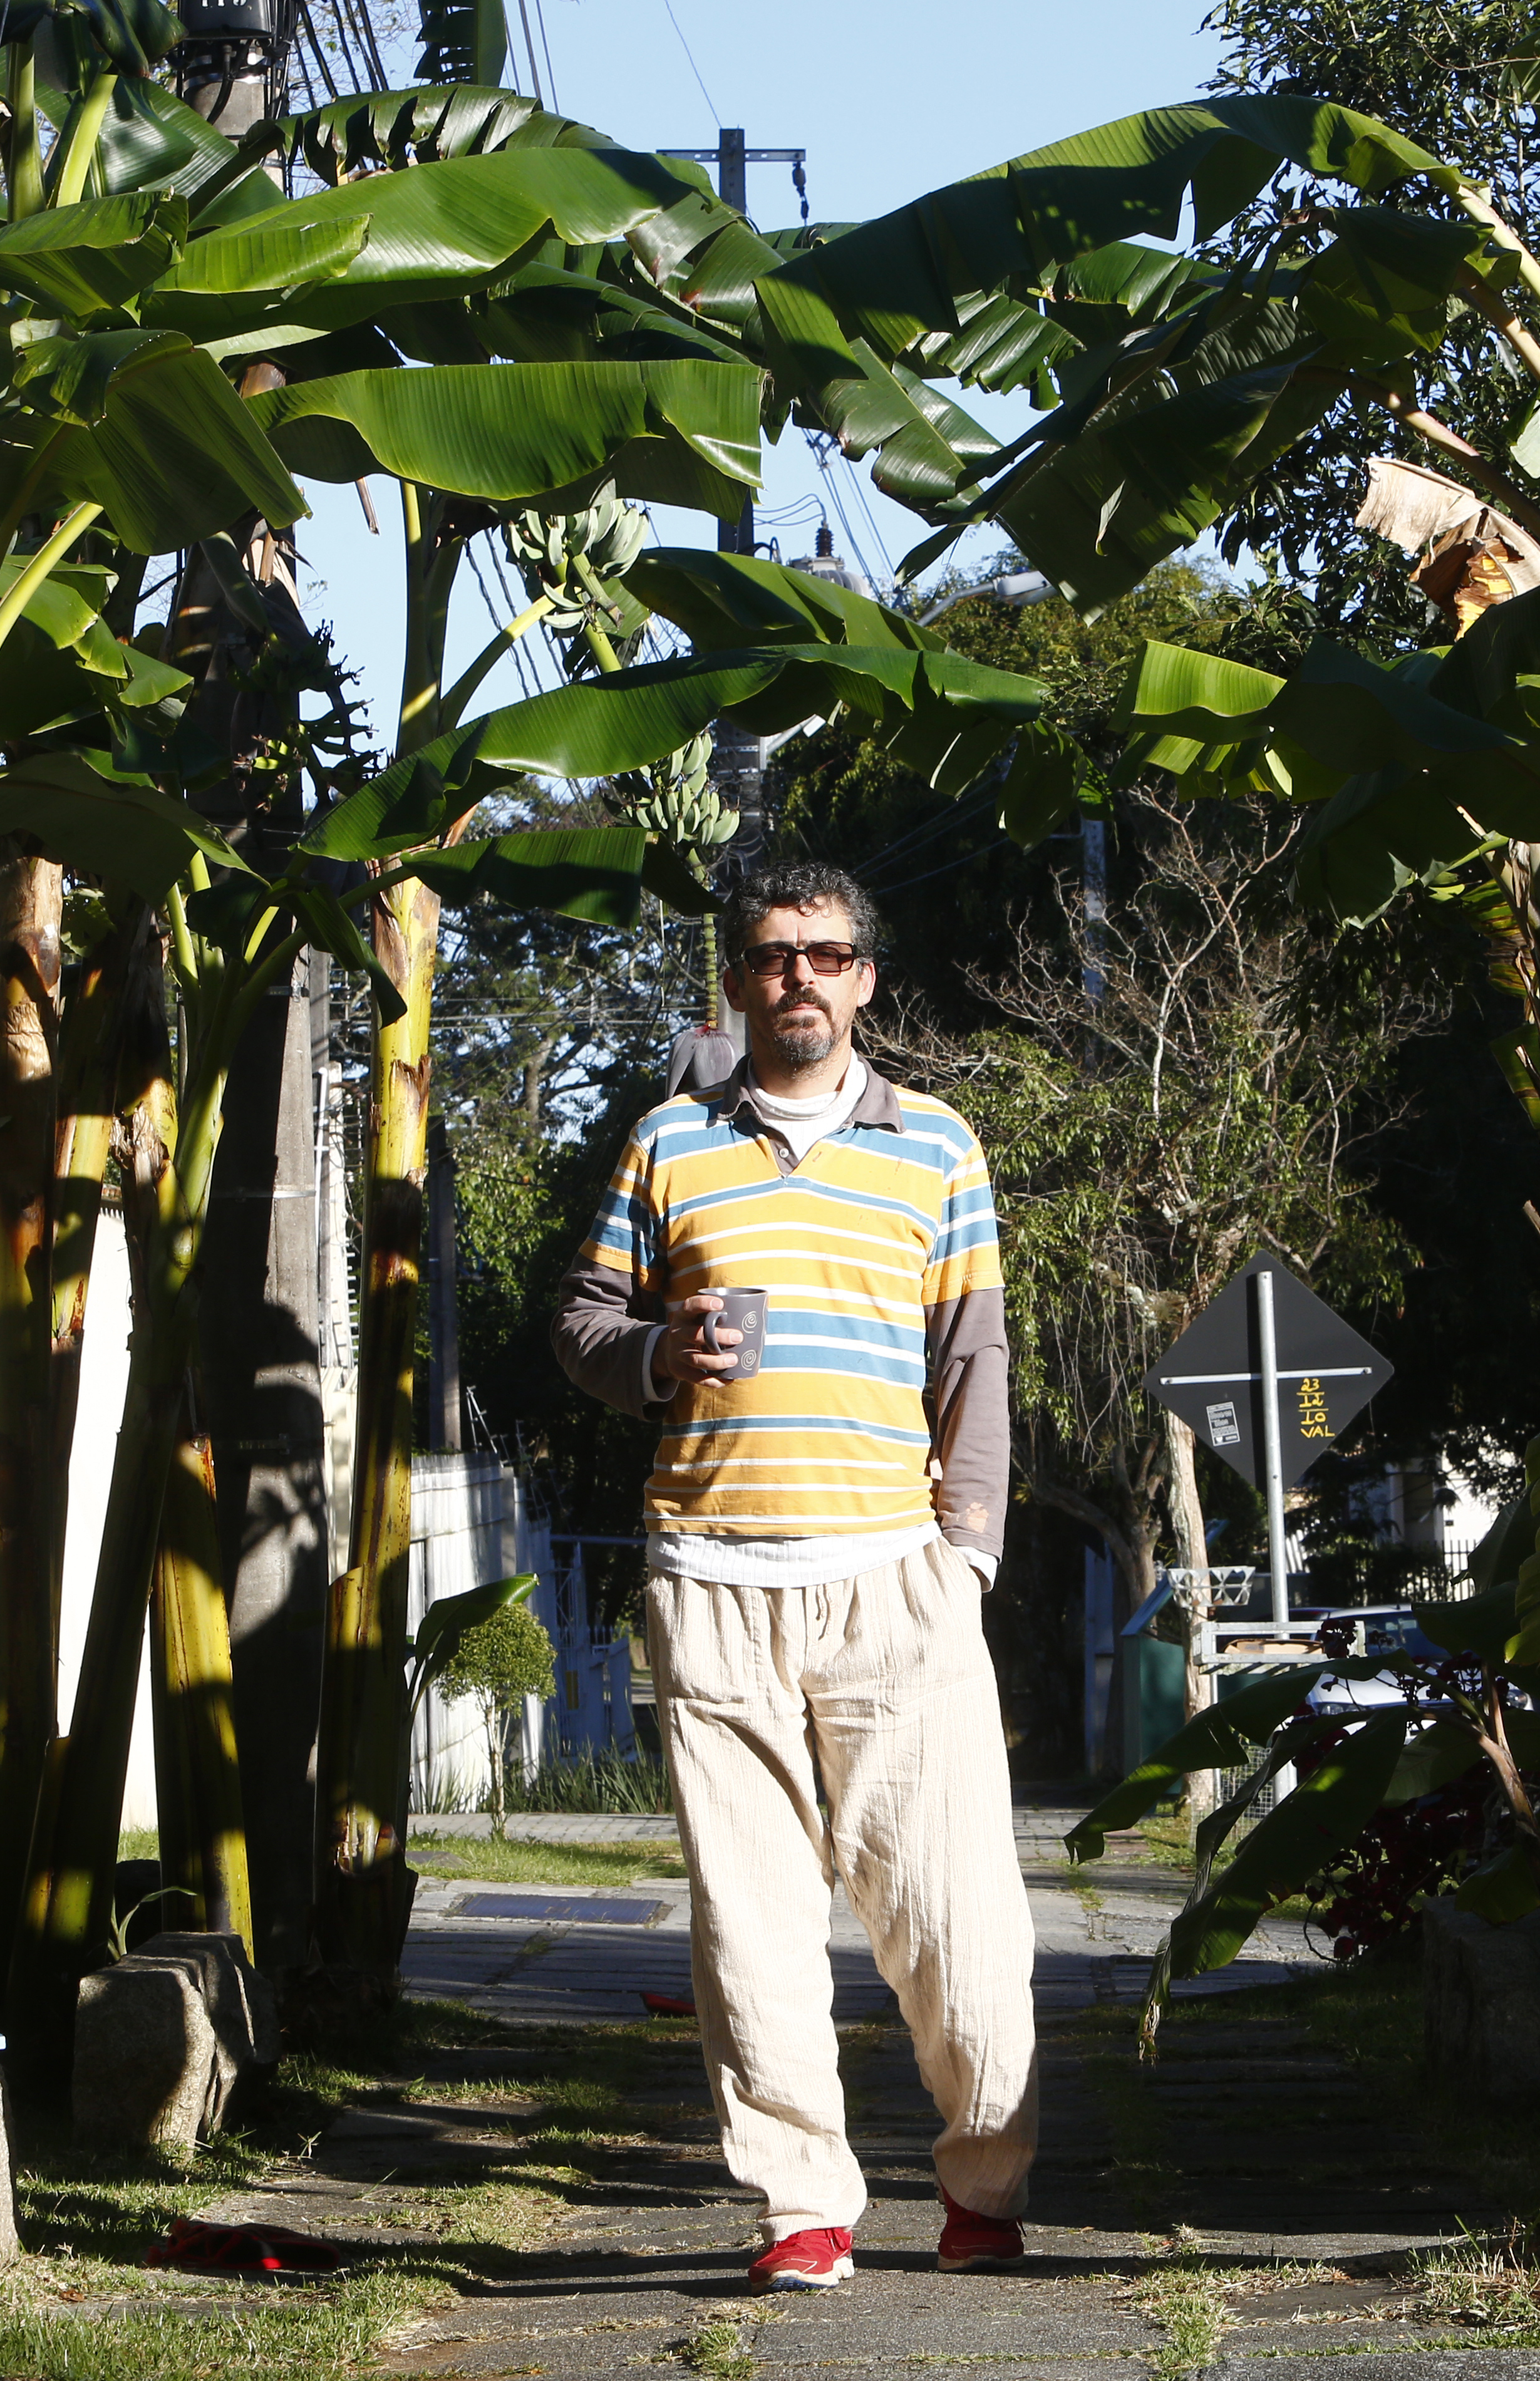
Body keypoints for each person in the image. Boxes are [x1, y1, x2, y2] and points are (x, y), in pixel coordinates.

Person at [552, 859, 1036, 2295]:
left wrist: (969, 1555)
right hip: (710, 1581)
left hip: (895, 1581)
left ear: (866, 979)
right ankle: (801, 2207)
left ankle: (985, 2185)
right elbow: (582, 1321)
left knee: (956, 1924)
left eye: (827, 956)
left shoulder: (937, 1146)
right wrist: (657, 1351)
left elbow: (974, 1360)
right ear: (736, 981)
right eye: (772, 957)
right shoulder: (668, 1144)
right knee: (750, 1928)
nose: (799, 980)